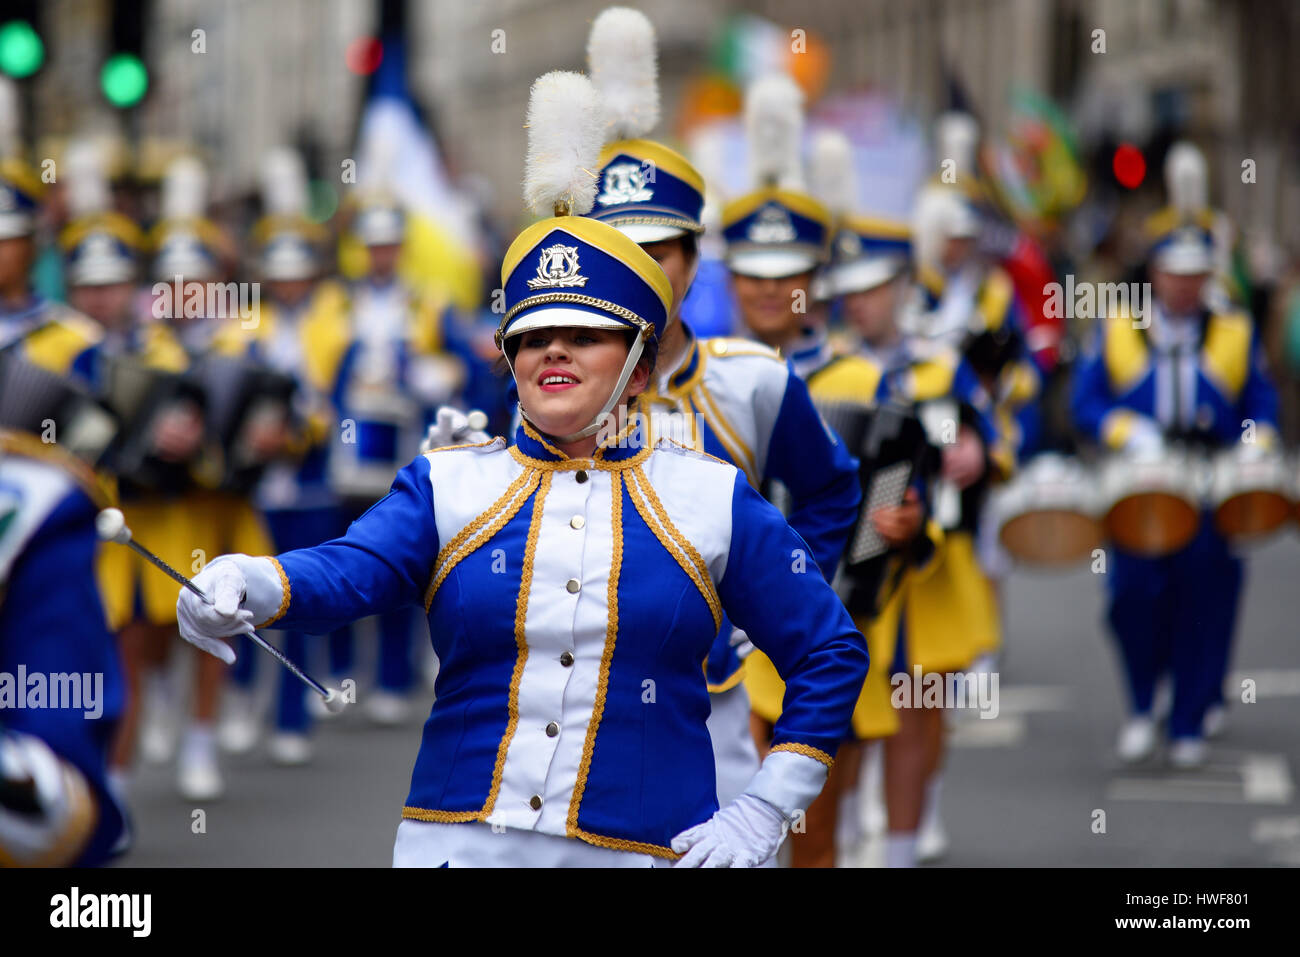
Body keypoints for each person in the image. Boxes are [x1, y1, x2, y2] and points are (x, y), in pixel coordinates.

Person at [175, 70, 869, 867]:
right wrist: (252, 581)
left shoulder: (712, 495)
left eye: (586, 333)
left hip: (641, 848)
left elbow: (828, 649)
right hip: (453, 848)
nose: (555, 351)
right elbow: (350, 569)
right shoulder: (449, 481)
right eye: (533, 337)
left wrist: (766, 806)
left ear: (639, 367)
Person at [582, 15, 861, 811]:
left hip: (719, 692)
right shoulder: (553, 381)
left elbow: (834, 491)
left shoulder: (755, 380)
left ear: (694, 261)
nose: (639, 274)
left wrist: (776, 595)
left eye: (657, 253)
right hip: (582, 695)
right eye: (618, 251)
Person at [1071, 220, 1279, 768]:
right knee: (1131, 598)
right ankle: (1144, 703)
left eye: (1195, 275)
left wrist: (1257, 440)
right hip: (1140, 489)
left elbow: (1262, 401)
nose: (1184, 287)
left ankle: (1188, 717)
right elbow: (1084, 403)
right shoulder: (1118, 327)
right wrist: (1127, 431)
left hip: (1210, 486)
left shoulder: (1234, 329)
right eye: (1173, 275)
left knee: (1206, 599)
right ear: (1155, 276)